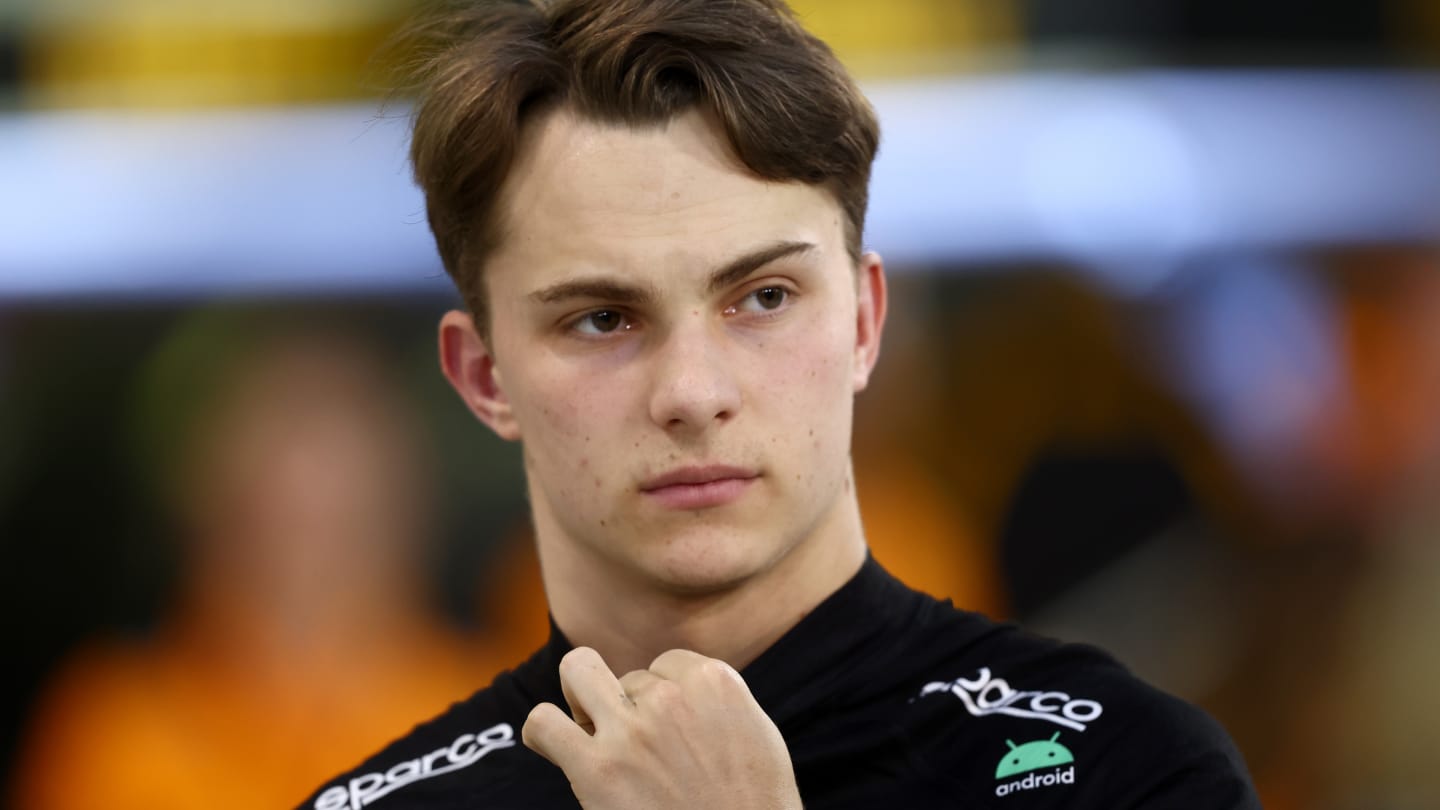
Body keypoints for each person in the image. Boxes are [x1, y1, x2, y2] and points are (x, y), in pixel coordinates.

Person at [299, 1, 1260, 807]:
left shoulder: (1126, 774)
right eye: (602, 318)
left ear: (865, 323)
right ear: (483, 377)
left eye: (762, 299)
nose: (692, 393)